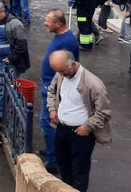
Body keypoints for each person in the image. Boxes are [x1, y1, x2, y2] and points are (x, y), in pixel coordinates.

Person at [47, 50, 111, 192]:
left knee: (79, 170)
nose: (60, 74)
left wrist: (88, 127)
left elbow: (104, 111)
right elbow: (51, 91)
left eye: (62, 71)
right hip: (62, 128)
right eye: (58, 71)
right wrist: (52, 109)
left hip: (81, 133)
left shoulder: (93, 84)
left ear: (73, 64)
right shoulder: (60, 74)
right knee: (63, 165)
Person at [40, 10, 80, 174]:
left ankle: (53, 159)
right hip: (49, 85)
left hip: (54, 89)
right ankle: (52, 150)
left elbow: (68, 69)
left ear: (58, 24)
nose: (44, 23)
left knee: (48, 122)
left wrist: (55, 89)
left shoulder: (68, 42)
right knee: (46, 122)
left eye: (47, 21)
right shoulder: (60, 37)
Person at [0, 0, 30, 122]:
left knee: (11, 90)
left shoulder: (15, 23)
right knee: (0, 89)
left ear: (2, 12)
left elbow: (22, 44)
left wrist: (10, 58)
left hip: (10, 63)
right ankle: (2, 115)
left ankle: (11, 118)